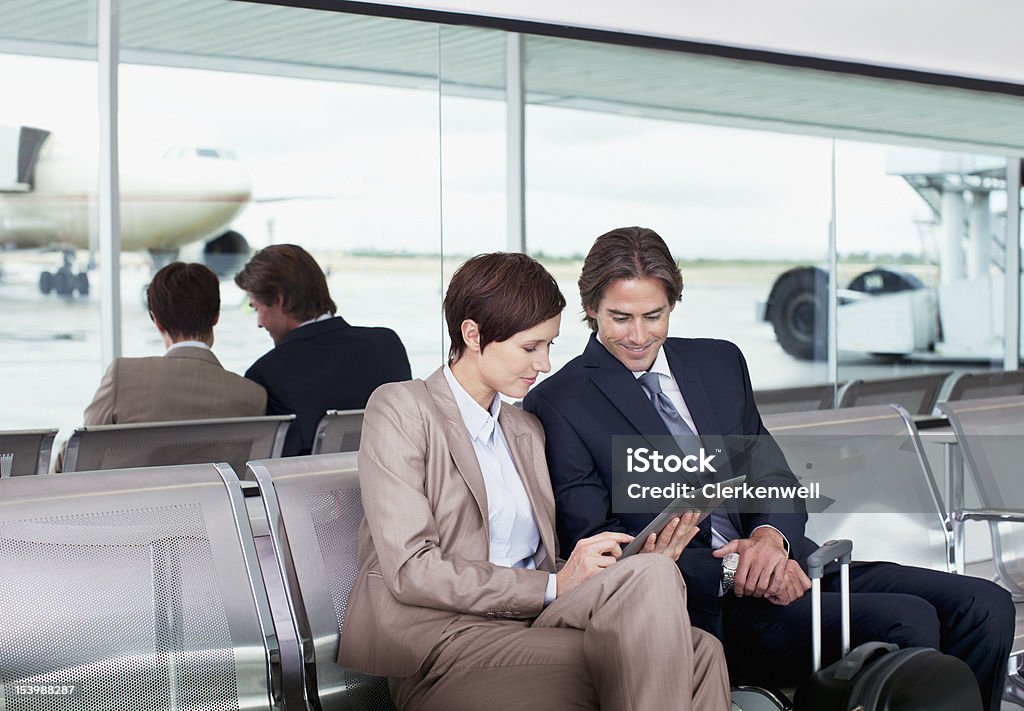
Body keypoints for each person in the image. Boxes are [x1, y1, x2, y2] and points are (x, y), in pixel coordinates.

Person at [524, 226, 1015, 711]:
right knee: (906, 620)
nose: (637, 335)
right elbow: (595, 539)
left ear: (673, 303)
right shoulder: (561, 402)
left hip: (792, 564)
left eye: (653, 316)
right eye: (619, 318)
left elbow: (772, 476)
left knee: (984, 606)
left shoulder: (718, 362)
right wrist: (739, 570)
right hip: (702, 603)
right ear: (590, 309)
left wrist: (768, 540)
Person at [338, 252, 730, 711]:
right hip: (445, 642)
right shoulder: (403, 408)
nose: (543, 364)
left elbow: (543, 565)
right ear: (472, 333)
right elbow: (412, 569)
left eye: (550, 346)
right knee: (678, 655)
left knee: (685, 622)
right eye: (530, 348)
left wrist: (628, 563)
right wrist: (551, 588)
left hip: (532, 624)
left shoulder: (524, 430)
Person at [234, 244, 411, 456]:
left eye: (256, 308)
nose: (259, 323)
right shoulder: (386, 345)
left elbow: (278, 468)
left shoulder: (268, 373)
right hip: (394, 485)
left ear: (279, 301)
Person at [82, 261, 266, 425]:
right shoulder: (253, 397)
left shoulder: (122, 377)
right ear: (216, 316)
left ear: (156, 320)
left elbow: (77, 452)